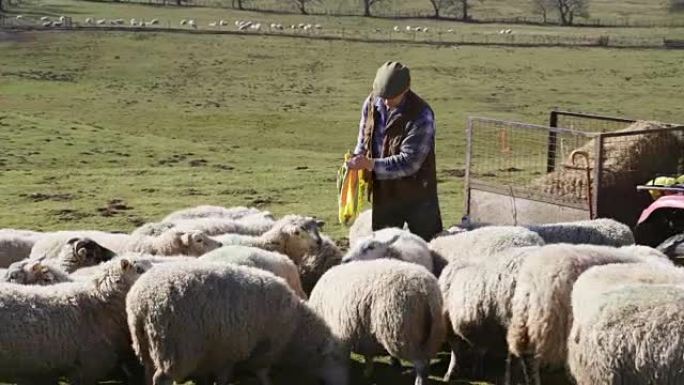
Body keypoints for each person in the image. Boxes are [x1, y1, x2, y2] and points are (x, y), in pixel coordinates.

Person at [347, 61, 443, 241]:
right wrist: (357, 159)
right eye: (381, 95)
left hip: (417, 195)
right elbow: (363, 140)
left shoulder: (421, 115)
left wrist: (370, 164)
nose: (385, 101)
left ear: (405, 90)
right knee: (384, 245)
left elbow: (410, 162)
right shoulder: (371, 103)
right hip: (384, 193)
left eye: (391, 97)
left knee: (429, 246)